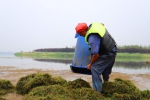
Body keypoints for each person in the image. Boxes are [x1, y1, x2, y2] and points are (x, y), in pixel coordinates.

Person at [74, 22, 117, 93]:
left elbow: (96, 55)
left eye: (80, 34)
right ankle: (107, 86)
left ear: (84, 31)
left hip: (108, 53)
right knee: (105, 70)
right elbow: (102, 24)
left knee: (95, 69)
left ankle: (97, 92)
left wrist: (90, 65)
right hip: (112, 48)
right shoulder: (94, 25)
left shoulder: (92, 38)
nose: (81, 36)